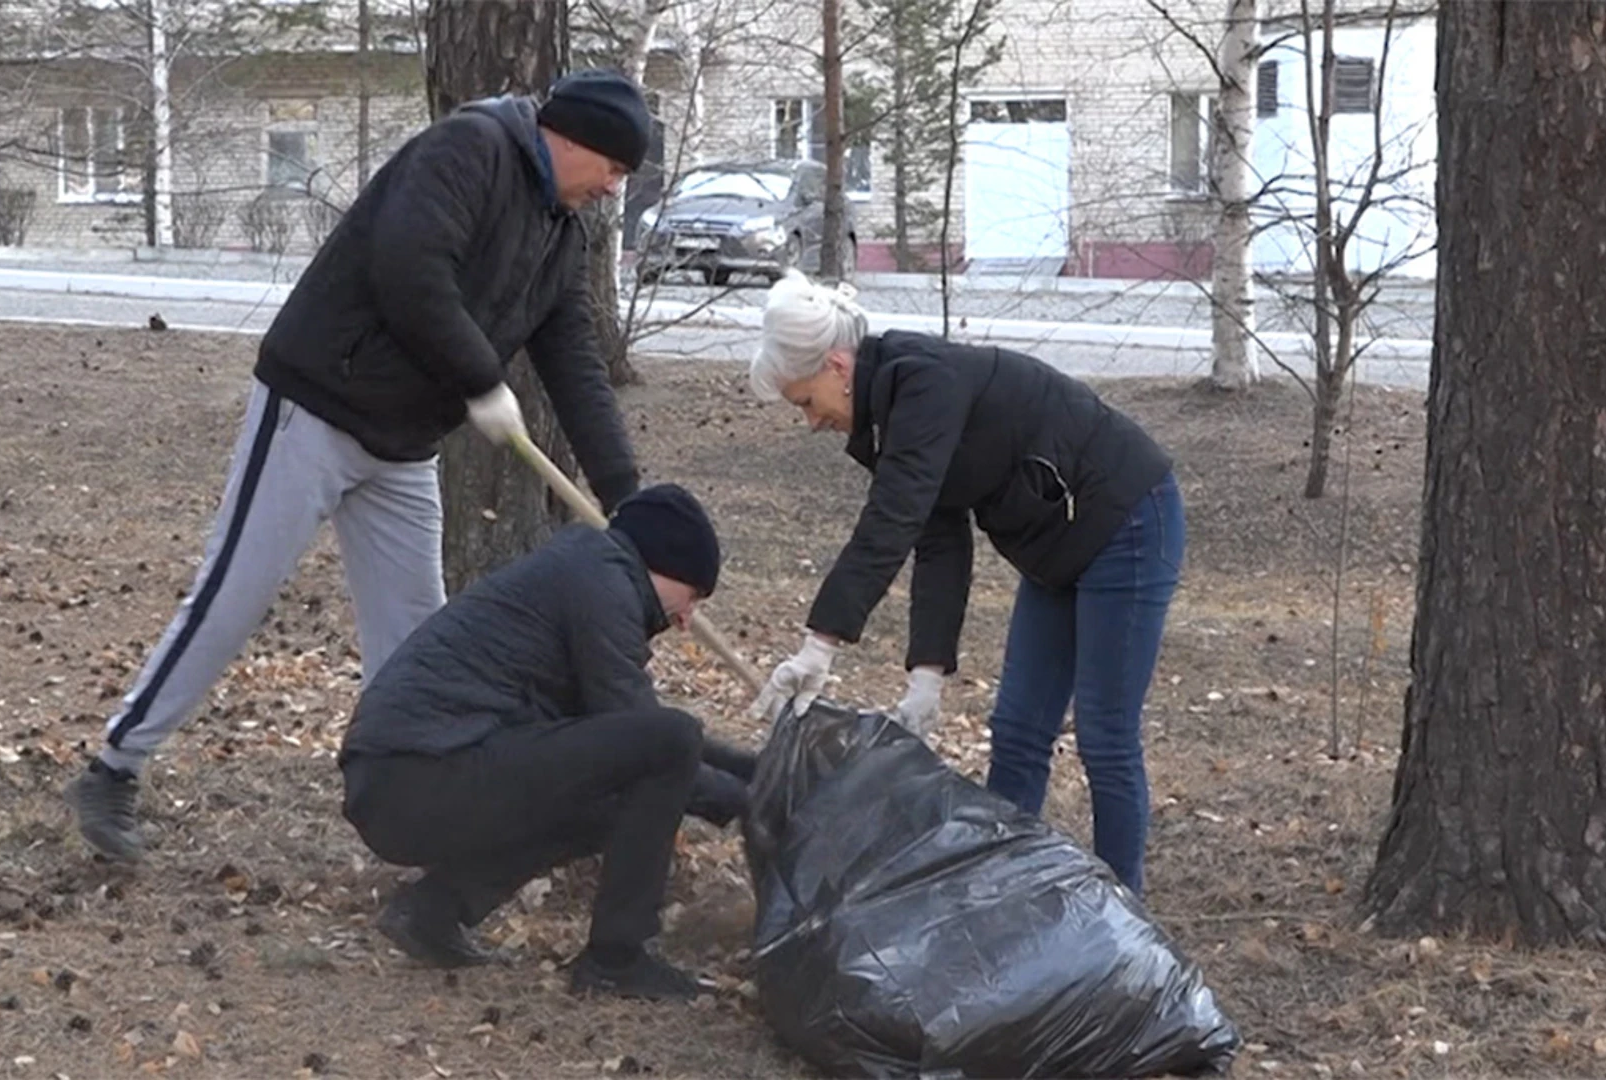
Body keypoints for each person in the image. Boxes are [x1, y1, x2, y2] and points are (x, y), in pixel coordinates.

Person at [64, 69, 657, 862]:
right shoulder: (469, 149)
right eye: (613, 170)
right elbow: (409, 270)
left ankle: (417, 810)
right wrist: (482, 379)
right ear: (573, 140)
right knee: (233, 598)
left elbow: (576, 363)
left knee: (418, 646)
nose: (613, 190)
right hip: (315, 406)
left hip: (407, 444)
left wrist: (628, 503)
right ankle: (114, 768)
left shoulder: (561, 233)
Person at [745, 270, 1185, 896]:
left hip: (1128, 522)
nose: (811, 421)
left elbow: (890, 521)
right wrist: (926, 675)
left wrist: (821, 644)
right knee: (1018, 731)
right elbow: (936, 537)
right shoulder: (888, 413)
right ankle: (996, 894)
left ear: (838, 366)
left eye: (806, 402)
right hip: (1055, 547)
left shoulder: (924, 381)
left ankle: (1124, 914)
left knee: (1105, 734)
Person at [338, 484, 747, 1001]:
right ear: (663, 564)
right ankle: (617, 959)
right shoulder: (600, 583)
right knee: (669, 741)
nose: (687, 619)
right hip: (421, 771)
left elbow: (631, 738)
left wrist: (756, 769)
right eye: (692, 596)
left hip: (402, 780)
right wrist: (750, 803)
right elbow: (655, 736)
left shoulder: (588, 571)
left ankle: (432, 911)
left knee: (614, 797)